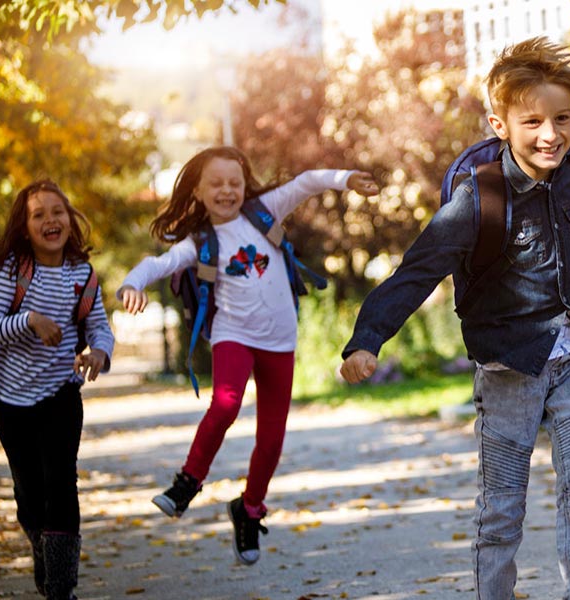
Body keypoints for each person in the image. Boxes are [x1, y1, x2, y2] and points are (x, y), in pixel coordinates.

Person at [340, 37, 570, 599]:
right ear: (500, 124)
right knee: (501, 506)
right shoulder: (480, 198)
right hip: (507, 366)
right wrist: (366, 339)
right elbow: (417, 271)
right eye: (533, 121)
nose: (552, 134)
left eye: (563, 118)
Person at [118, 146, 378, 565]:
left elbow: (307, 181)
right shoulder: (200, 242)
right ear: (198, 192)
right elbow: (156, 264)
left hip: (280, 339)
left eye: (234, 183)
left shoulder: (265, 211)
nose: (227, 191)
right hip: (232, 335)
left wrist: (345, 178)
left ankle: (249, 508)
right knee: (225, 404)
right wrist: (130, 285)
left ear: (245, 185)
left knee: (272, 437)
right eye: (216, 184)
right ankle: (187, 482)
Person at [0, 180, 114, 599]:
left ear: (70, 220)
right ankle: (42, 544)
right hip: (12, 401)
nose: (51, 220)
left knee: (62, 484)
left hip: (61, 395)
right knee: (30, 494)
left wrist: (99, 354)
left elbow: (100, 327)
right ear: (25, 227)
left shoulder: (82, 275)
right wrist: (29, 319)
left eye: (58, 211)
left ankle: (60, 588)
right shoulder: (14, 272)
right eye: (39, 214)